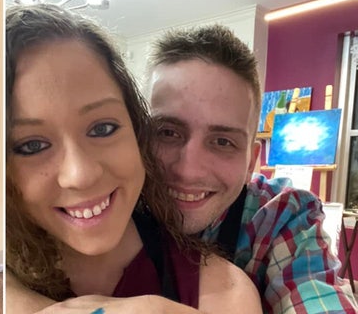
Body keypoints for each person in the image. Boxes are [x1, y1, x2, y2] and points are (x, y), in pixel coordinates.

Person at [5, 4, 261, 314]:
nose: (80, 174)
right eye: (32, 146)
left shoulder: (225, 295)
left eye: (102, 128)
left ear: (135, 129)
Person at [144, 24, 358, 313]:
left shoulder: (282, 216)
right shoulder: (108, 203)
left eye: (222, 141)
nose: (188, 171)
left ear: (250, 161)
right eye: (167, 133)